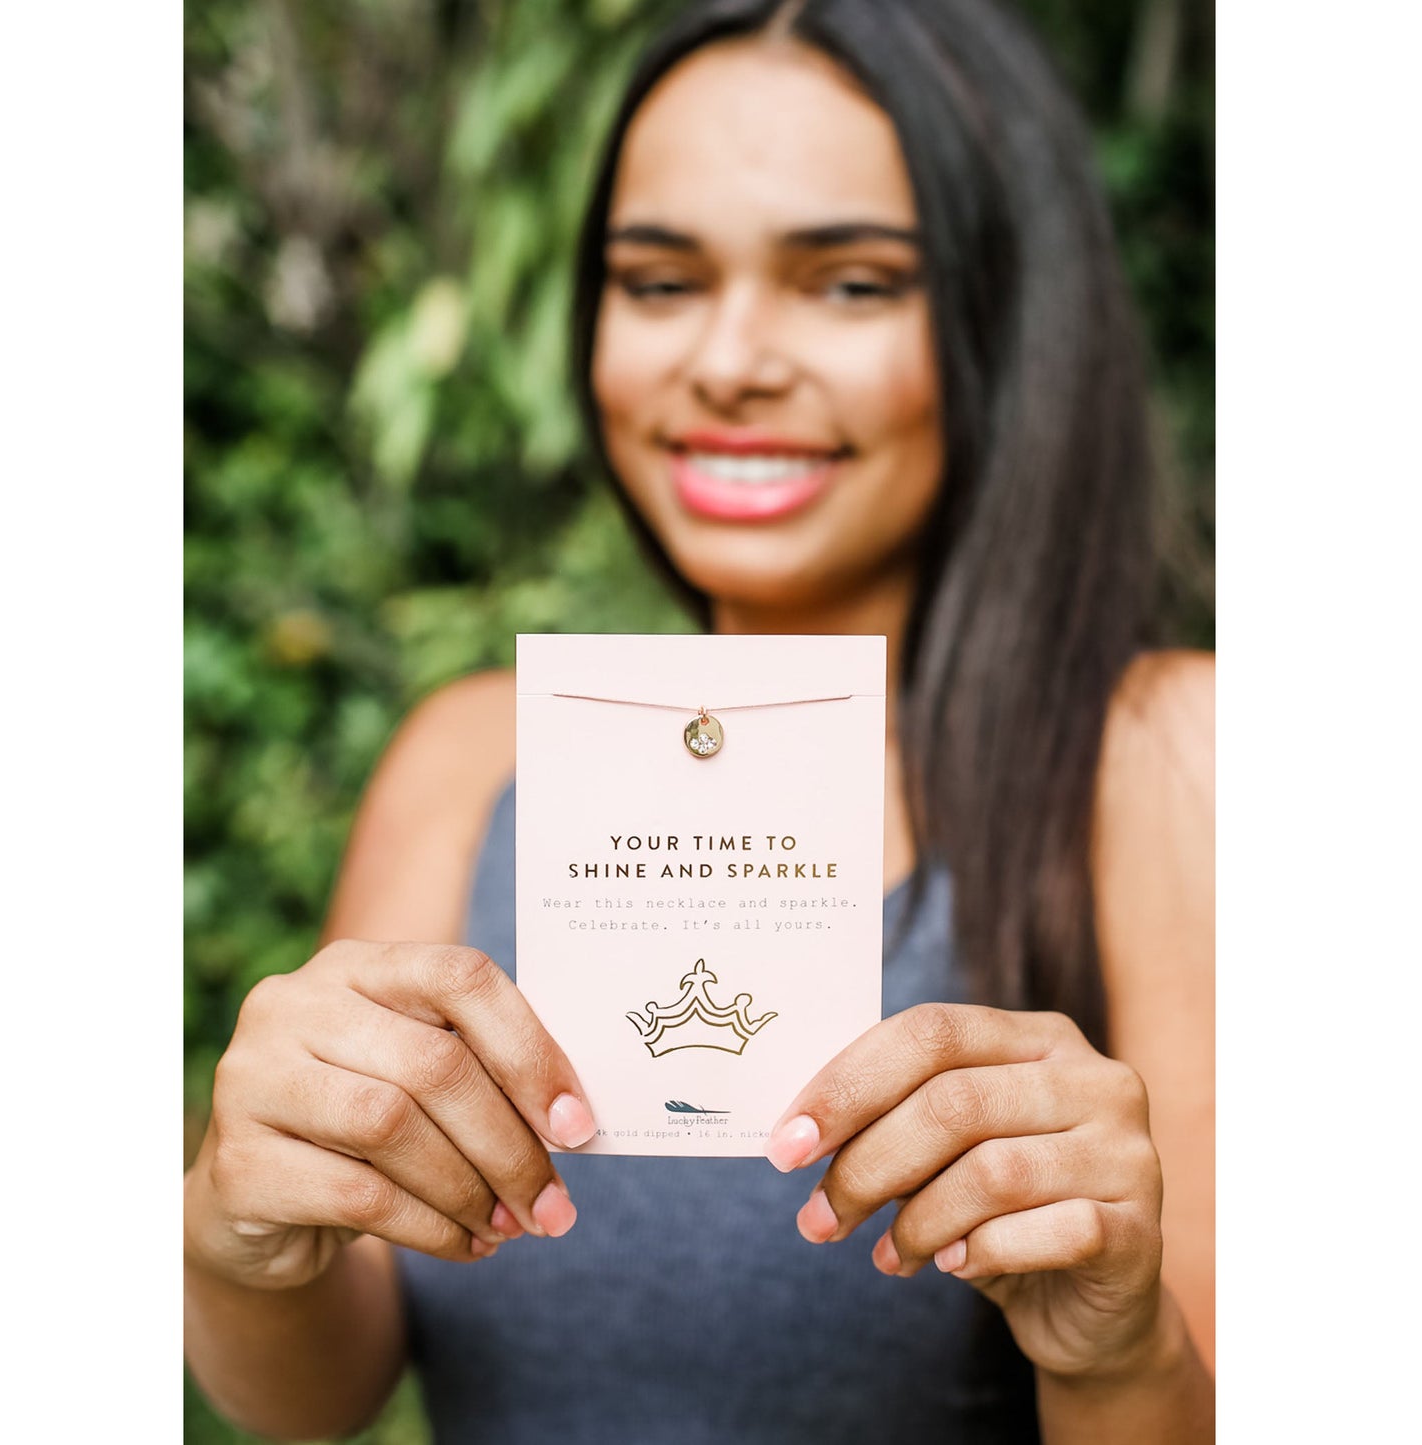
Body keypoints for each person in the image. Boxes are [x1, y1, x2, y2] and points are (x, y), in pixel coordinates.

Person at [183, 0, 1215, 1440]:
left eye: (849, 283)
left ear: (1002, 314)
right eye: (659, 281)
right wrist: (241, 1227)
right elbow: (319, 1392)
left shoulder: (1165, 756)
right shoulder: (471, 758)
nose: (728, 359)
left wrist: (1115, 1352)